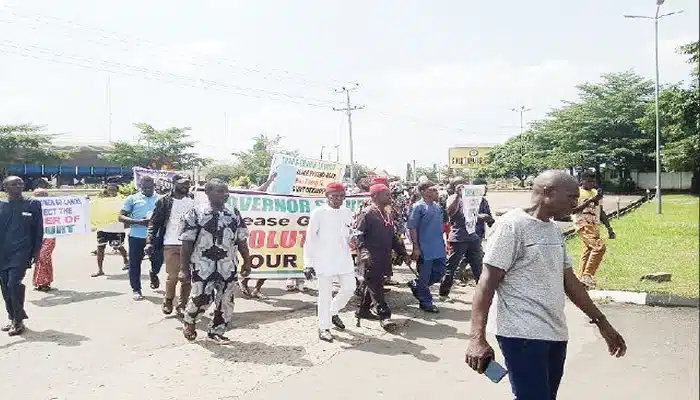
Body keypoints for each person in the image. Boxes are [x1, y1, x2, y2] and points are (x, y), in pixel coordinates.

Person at [465, 170, 627, 399]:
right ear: (547, 192)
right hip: (521, 335)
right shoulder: (512, 226)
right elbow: (486, 284)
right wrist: (476, 338)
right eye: (571, 196)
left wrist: (602, 322)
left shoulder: (552, 230)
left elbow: (571, 283)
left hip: (554, 333)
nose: (576, 202)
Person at [180, 179, 252, 345]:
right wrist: (184, 269)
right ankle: (190, 322)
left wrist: (246, 261)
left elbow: (242, 239)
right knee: (200, 297)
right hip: (202, 265)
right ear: (208, 192)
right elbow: (187, 242)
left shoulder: (233, 213)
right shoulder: (195, 213)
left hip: (227, 264)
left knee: (226, 300)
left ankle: (217, 331)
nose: (225, 194)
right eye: (220, 191)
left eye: (226, 191)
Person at [303, 182, 356, 342]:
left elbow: (349, 235)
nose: (337, 199)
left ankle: (332, 312)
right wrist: (308, 263)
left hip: (343, 258)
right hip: (323, 259)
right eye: (334, 196)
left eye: (341, 196)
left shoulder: (348, 212)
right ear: (327, 196)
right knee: (324, 294)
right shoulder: (318, 213)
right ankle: (324, 327)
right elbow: (310, 239)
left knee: (349, 288)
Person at [354, 184, 410, 331]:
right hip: (370, 258)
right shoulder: (367, 213)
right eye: (386, 194)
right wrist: (363, 250)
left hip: (384, 256)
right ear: (374, 196)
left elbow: (392, 237)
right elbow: (357, 234)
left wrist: (403, 253)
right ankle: (385, 316)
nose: (390, 196)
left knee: (373, 284)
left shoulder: (387, 213)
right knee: (376, 287)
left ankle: (364, 310)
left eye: (389, 193)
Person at [146, 174, 195, 316]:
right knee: (173, 275)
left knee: (187, 277)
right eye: (183, 183)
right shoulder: (164, 201)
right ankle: (168, 299)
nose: (186, 186)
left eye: (188, 183)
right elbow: (153, 223)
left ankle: (182, 304)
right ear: (174, 184)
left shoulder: (193, 200)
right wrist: (149, 241)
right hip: (171, 243)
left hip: (190, 244)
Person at [0, 176, 43, 336]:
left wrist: (37, 252)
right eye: (14, 184)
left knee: (13, 283)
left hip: (22, 251)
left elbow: (39, 230)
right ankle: (13, 316)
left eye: (20, 183)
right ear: (5, 188)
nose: (19, 186)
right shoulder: (1, 205)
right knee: (5, 286)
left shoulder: (32, 204)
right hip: (3, 252)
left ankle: (18, 320)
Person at [438, 178, 494, 301]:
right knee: (451, 267)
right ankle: (443, 293)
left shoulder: (483, 201)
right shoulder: (455, 199)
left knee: (478, 267)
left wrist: (489, 220)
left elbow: (490, 220)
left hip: (474, 238)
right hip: (459, 238)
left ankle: (483, 296)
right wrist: (458, 195)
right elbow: (450, 213)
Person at [119, 175, 162, 300]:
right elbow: (121, 217)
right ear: (140, 186)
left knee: (158, 261)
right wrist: (139, 221)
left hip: (156, 236)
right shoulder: (132, 199)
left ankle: (153, 273)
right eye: (145, 187)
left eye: (151, 187)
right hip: (136, 237)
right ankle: (136, 289)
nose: (148, 189)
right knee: (134, 264)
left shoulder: (161, 199)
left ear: (154, 186)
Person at [407, 181, 446, 313]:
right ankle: (426, 302)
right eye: (432, 189)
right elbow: (412, 228)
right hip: (425, 248)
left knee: (440, 272)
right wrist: (416, 247)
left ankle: (417, 286)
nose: (436, 191)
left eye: (436, 189)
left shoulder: (437, 206)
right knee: (424, 276)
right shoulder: (418, 207)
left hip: (438, 247)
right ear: (423, 191)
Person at [573, 170, 615, 289]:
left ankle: (580, 280)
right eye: (589, 181)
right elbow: (573, 210)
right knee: (599, 247)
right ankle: (587, 275)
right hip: (583, 224)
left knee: (587, 251)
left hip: (594, 226)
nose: (592, 183)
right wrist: (591, 200)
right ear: (582, 181)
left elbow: (601, 212)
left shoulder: (595, 193)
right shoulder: (578, 193)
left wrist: (609, 228)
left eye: (593, 181)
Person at [239, 173, 278, 298]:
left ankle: (257, 289)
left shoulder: (271, 204)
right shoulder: (249, 202)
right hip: (254, 237)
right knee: (252, 262)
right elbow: (261, 190)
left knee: (267, 264)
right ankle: (244, 282)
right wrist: (270, 180)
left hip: (269, 236)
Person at [92, 184, 129, 276]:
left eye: (113, 190)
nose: (111, 192)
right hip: (102, 228)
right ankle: (100, 270)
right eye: (110, 190)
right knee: (100, 248)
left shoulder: (121, 201)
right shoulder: (100, 201)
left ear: (117, 191)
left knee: (117, 246)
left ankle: (126, 260)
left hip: (116, 229)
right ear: (107, 190)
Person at [31, 188, 56, 292]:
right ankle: (42, 282)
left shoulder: (53, 207)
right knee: (41, 259)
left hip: (49, 235)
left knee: (43, 257)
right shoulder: (32, 206)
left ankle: (44, 282)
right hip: (37, 236)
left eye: (41, 195)